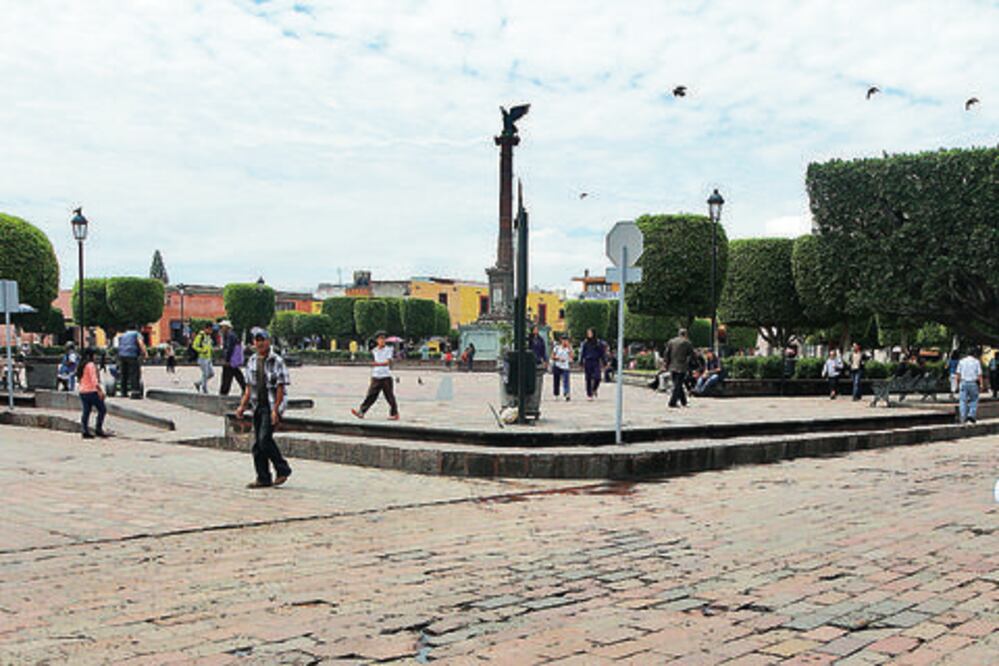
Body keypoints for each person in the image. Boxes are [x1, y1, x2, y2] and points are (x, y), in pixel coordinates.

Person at [236, 328, 292, 488]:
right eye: (256, 340)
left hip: (272, 405)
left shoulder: (277, 361)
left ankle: (283, 469)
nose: (259, 343)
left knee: (264, 440)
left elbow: (280, 388)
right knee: (257, 445)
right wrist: (242, 406)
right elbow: (249, 387)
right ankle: (263, 477)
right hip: (257, 405)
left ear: (269, 341)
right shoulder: (252, 361)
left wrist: (276, 410)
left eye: (262, 339)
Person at [351, 331, 399, 420]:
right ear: (377, 340)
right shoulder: (375, 350)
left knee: (389, 396)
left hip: (385, 376)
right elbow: (374, 361)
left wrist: (378, 364)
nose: (382, 340)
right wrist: (375, 364)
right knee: (371, 395)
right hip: (376, 375)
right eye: (380, 339)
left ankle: (394, 413)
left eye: (384, 338)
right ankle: (361, 411)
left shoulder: (388, 349)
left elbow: (388, 362)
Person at [77, 348, 109, 439]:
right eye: (94, 355)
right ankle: (98, 429)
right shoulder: (91, 365)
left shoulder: (81, 364)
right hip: (92, 391)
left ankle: (84, 430)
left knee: (86, 411)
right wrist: (100, 391)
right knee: (102, 410)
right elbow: (94, 380)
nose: (95, 357)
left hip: (83, 391)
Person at [663, 328, 695, 408]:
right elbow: (692, 355)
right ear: (686, 334)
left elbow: (666, 354)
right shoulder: (687, 343)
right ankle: (672, 402)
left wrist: (666, 364)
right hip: (682, 366)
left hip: (672, 366)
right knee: (678, 385)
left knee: (677, 384)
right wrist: (691, 366)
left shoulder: (671, 341)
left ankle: (683, 401)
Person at [116, 324, 147, 399]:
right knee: (134, 373)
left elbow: (119, 345)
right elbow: (140, 343)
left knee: (124, 374)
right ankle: (135, 393)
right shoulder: (136, 334)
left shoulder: (123, 335)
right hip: (132, 355)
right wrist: (145, 353)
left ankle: (123, 392)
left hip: (122, 355)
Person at [218, 320, 246, 396]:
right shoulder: (231, 335)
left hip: (230, 360)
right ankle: (245, 388)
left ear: (226, 327)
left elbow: (229, 348)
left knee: (227, 375)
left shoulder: (229, 336)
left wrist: (227, 359)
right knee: (236, 374)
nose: (221, 328)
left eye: (222, 327)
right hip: (232, 359)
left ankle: (223, 392)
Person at [956, 348, 983, 424]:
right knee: (974, 399)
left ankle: (963, 417)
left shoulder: (961, 361)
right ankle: (971, 415)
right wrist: (981, 384)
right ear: (974, 354)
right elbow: (979, 374)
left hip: (963, 382)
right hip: (973, 383)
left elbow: (958, 374)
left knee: (962, 400)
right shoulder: (976, 362)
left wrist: (957, 384)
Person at [579, 328, 607, 400]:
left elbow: (602, 353)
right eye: (588, 333)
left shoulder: (598, 343)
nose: (589, 334)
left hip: (595, 361)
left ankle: (594, 389)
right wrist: (581, 361)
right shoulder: (585, 343)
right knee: (588, 378)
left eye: (590, 333)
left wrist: (604, 362)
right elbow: (582, 353)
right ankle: (589, 394)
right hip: (588, 361)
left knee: (597, 377)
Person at [192, 322, 215, 394]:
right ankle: (204, 389)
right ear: (206, 329)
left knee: (211, 373)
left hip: (208, 358)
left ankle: (198, 383)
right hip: (202, 358)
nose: (211, 331)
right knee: (205, 374)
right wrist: (202, 351)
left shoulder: (208, 336)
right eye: (210, 329)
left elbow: (208, 345)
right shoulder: (200, 336)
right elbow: (194, 346)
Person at [551, 336, 573, 401]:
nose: (565, 342)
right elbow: (552, 356)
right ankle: (556, 394)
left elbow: (572, 356)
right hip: (557, 365)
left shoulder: (569, 348)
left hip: (565, 366)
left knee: (566, 380)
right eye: (563, 340)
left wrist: (569, 348)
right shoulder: (557, 347)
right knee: (556, 380)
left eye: (566, 340)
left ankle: (566, 393)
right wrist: (559, 359)